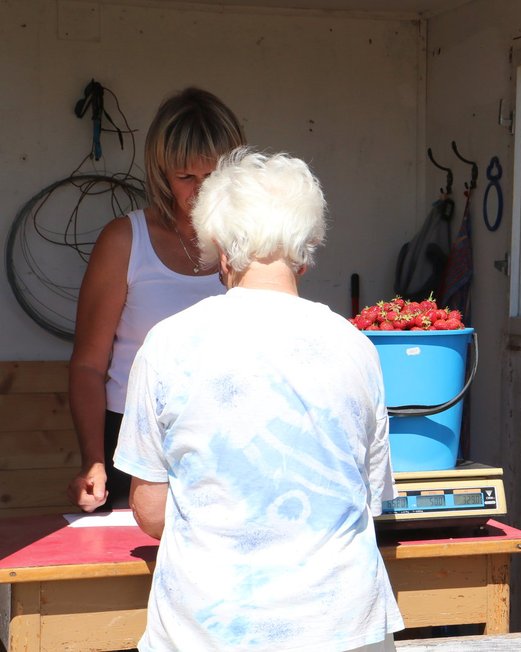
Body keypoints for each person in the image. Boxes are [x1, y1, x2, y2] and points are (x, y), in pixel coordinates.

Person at [114, 148, 404, 651]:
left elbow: (152, 509)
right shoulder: (356, 347)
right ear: (305, 252)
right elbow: (371, 495)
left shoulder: (167, 344)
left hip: (207, 631)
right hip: (341, 628)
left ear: (222, 250)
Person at [67, 87, 245, 512]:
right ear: (161, 173)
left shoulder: (252, 242)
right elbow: (89, 365)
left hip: (230, 434)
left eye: (214, 177)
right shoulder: (125, 240)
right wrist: (93, 461)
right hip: (135, 438)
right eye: (186, 177)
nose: (201, 191)